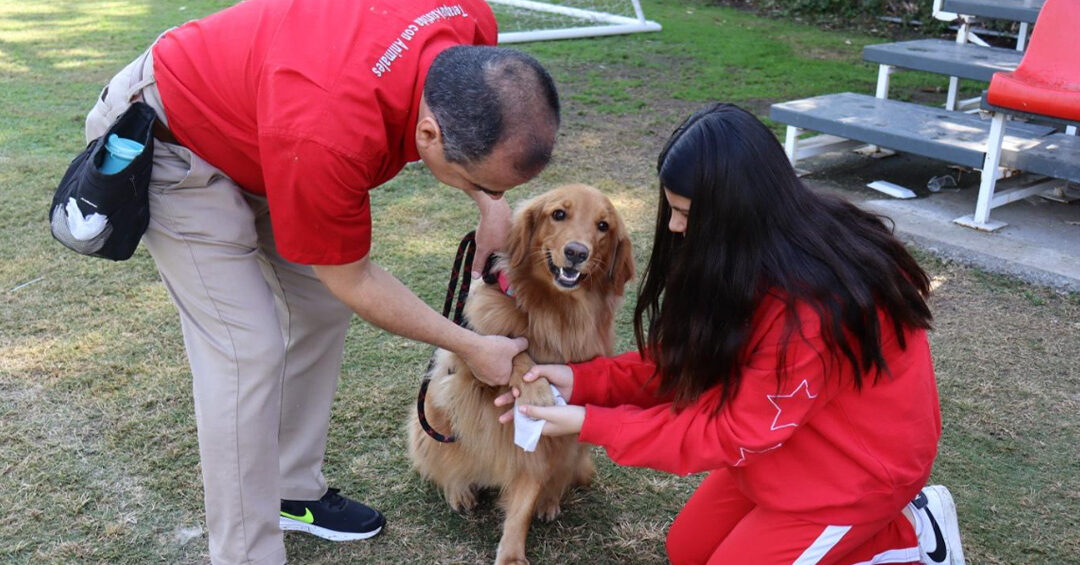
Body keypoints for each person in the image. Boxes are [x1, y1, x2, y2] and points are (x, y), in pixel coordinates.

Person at [82, 1, 559, 563]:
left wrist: (488, 201)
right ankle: (246, 555)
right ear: (429, 134)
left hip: (268, 128)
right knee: (246, 350)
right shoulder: (330, 132)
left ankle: (291, 489)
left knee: (318, 306)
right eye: (483, 182)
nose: (494, 196)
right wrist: (471, 346)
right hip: (177, 139)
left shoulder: (468, 21)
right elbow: (353, 278)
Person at [496, 103, 967, 565]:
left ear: (733, 213)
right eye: (672, 209)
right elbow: (688, 359)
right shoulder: (755, 256)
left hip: (855, 475)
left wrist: (589, 421)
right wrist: (579, 382)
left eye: (686, 213)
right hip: (783, 441)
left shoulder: (809, 310)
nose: (675, 226)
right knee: (687, 552)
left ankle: (911, 533)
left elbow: (732, 432)